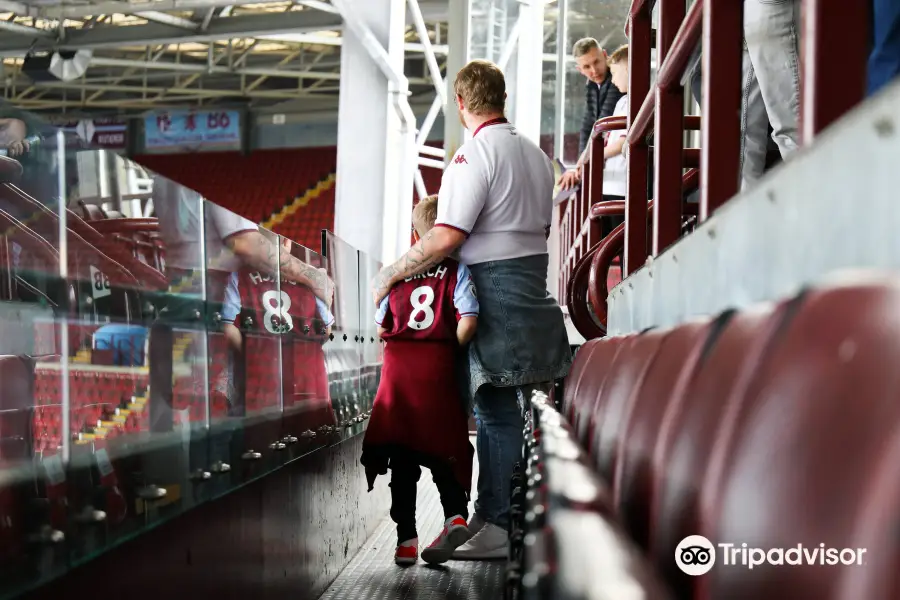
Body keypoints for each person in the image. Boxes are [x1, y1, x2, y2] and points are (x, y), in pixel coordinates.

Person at [371, 60, 571, 560]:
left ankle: (497, 524)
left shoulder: (472, 156)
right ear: (501, 97)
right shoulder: (535, 153)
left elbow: (446, 236)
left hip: (496, 290)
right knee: (508, 411)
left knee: (496, 412)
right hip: (531, 287)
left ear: (461, 104)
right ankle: (491, 515)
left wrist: (391, 272)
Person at [362, 194, 478, 566]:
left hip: (398, 376)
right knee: (446, 451)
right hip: (437, 371)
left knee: (402, 461)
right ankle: (456, 516)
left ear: (416, 233)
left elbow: (382, 327)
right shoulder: (458, 271)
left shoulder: (398, 275)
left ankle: (406, 541)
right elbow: (469, 320)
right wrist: (447, 347)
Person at [557, 38, 625, 192]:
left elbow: (603, 122)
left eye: (596, 62)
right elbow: (588, 125)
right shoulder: (592, 85)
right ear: (579, 69)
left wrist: (582, 163)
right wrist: (581, 164)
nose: (594, 71)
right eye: (587, 67)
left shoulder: (618, 81)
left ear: (605, 55)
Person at [597, 45, 630, 238]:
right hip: (609, 184)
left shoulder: (636, 101)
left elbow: (621, 143)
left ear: (627, 69)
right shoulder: (621, 102)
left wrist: (596, 155)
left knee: (622, 244)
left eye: (615, 73)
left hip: (622, 187)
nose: (614, 80)